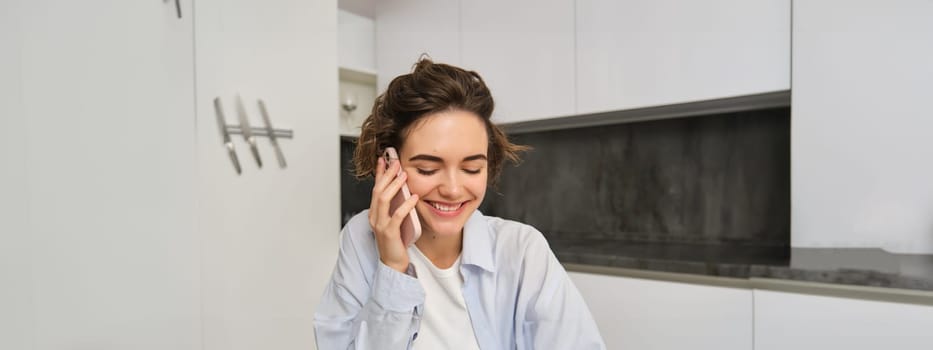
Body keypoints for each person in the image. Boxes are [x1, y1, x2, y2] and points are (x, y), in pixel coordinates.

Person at [313, 58, 605, 350]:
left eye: (472, 169)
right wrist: (393, 268)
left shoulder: (522, 250)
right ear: (390, 163)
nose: (453, 190)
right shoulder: (362, 237)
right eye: (428, 169)